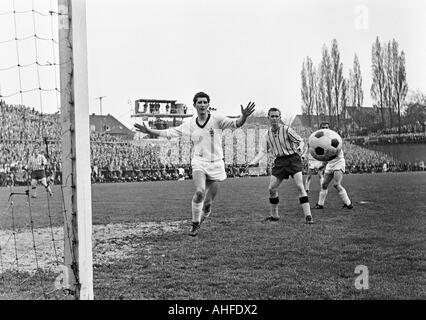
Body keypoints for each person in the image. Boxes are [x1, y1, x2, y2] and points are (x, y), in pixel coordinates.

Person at [134, 91, 255, 236]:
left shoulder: (217, 119)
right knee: (199, 192)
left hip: (216, 164)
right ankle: (195, 224)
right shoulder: (190, 123)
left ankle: (201, 219)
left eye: (205, 102)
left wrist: (244, 116)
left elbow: (237, 123)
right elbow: (170, 132)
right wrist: (149, 130)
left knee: (208, 204)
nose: (202, 105)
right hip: (199, 162)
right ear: (195, 105)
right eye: (200, 102)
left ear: (208, 105)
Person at [248, 107, 314, 224]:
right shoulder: (266, 134)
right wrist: (254, 161)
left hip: (293, 159)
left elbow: (301, 140)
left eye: (276, 116)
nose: (274, 118)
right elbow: (263, 151)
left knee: (300, 186)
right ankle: (274, 216)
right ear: (268, 118)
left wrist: (300, 147)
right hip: (279, 161)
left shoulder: (287, 130)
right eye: (272, 116)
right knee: (272, 188)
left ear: (280, 117)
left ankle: (308, 216)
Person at [313, 122, 353, 210]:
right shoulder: (319, 139)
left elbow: (334, 151)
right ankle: (320, 204)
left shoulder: (334, 136)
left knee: (336, 184)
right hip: (330, 163)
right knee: (324, 185)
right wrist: (323, 164)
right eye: (323, 127)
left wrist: (324, 162)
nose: (325, 128)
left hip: (338, 162)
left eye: (327, 127)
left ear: (329, 128)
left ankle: (348, 204)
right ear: (320, 129)